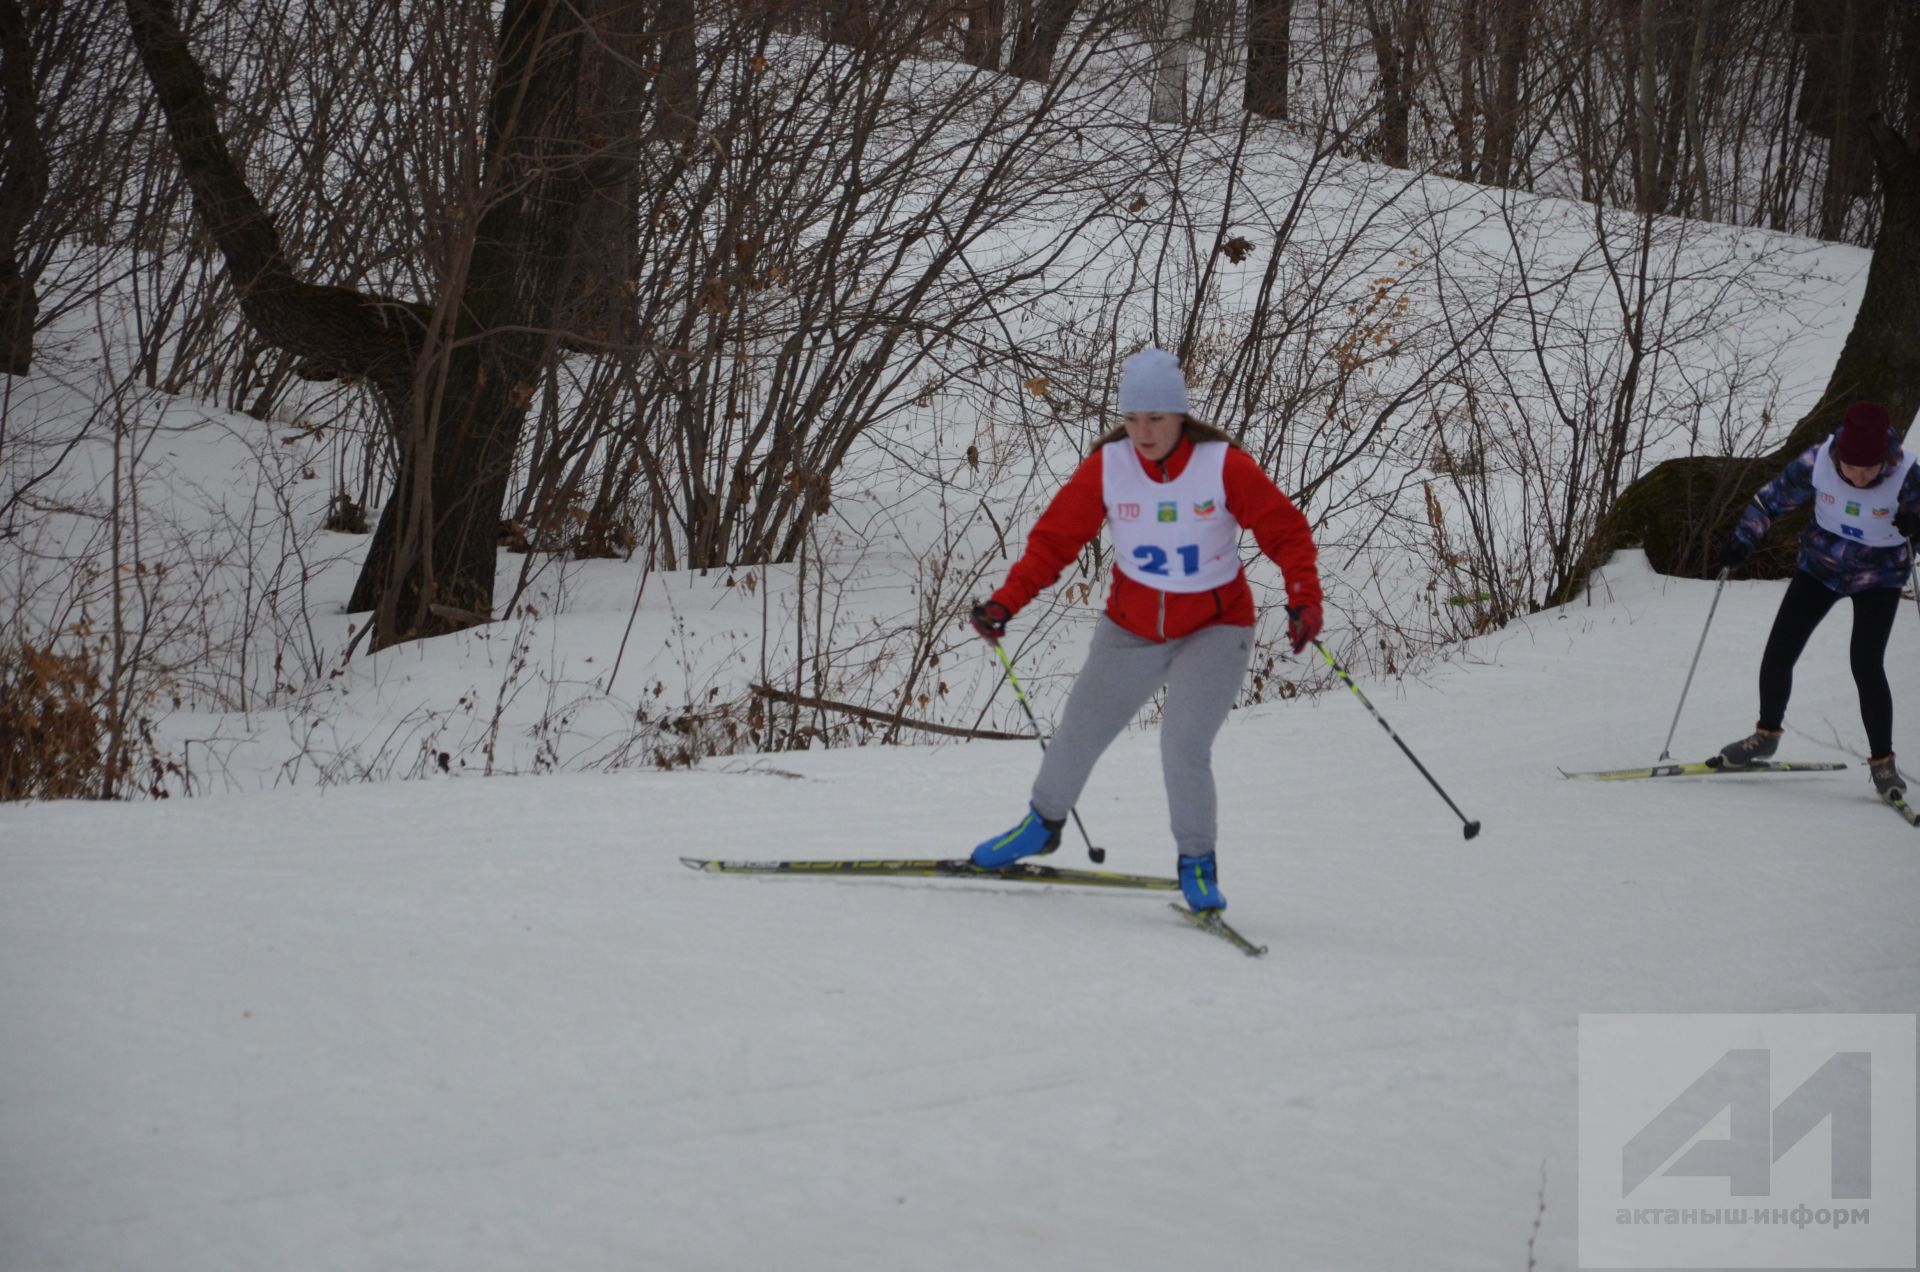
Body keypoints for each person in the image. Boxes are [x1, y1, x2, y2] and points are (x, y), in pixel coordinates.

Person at [965, 348, 1324, 911]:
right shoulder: (1109, 467)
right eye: (1132, 419)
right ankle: (1041, 825)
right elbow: (1054, 541)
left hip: (1215, 627)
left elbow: (1286, 532)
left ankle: (1197, 864)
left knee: (1183, 745)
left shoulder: (1223, 465)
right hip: (1128, 629)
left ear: (1180, 415)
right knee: (1078, 732)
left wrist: (1304, 597)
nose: (1143, 432)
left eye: (1155, 418)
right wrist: (1006, 603)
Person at [1715, 400, 1920, 801]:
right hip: (1820, 568)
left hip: (1879, 577)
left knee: (1866, 662)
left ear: (1884, 459)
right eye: (1851, 468)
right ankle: (1766, 735)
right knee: (1779, 651)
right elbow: (1768, 502)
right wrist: (1743, 539)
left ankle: (1883, 765)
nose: (1859, 478)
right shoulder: (1818, 461)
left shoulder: (1907, 474)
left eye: (1869, 469)